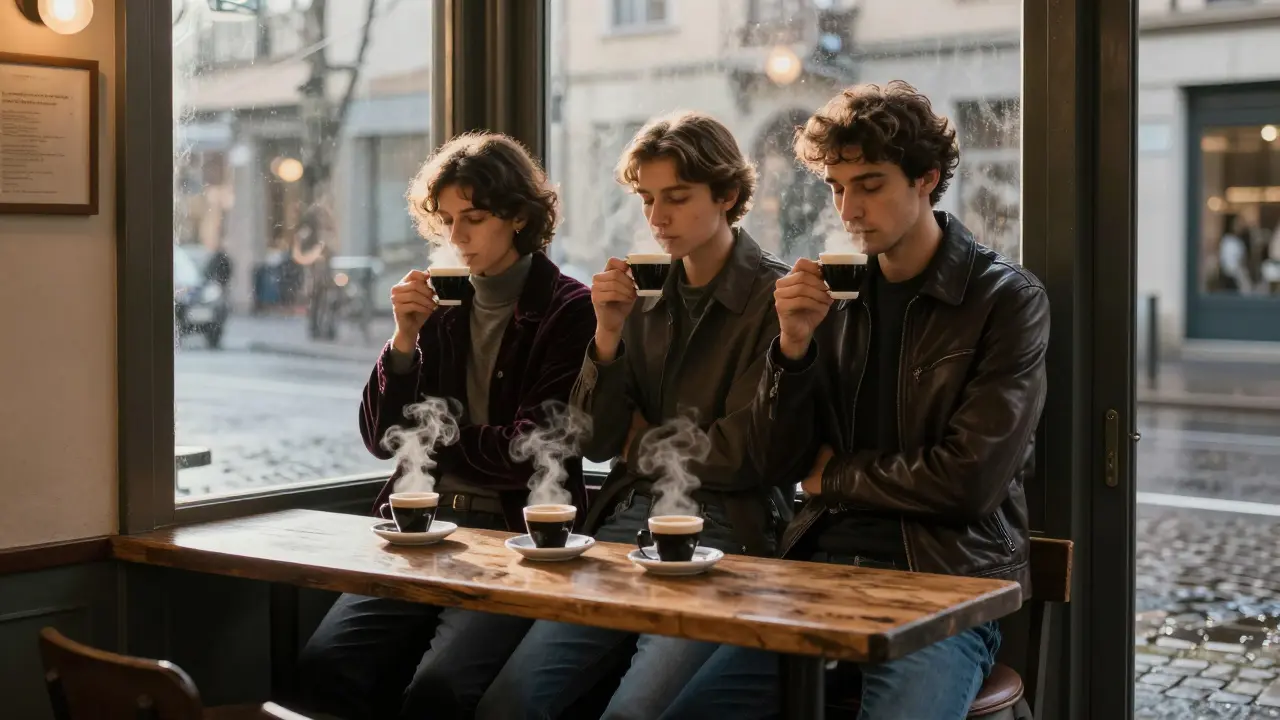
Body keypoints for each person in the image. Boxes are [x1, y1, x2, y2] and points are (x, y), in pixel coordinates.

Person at [659, 81, 1050, 720]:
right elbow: (777, 461)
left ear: (926, 179)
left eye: (869, 185)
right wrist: (791, 349)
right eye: (837, 188)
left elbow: (970, 482)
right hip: (818, 570)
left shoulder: (1004, 299)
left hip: (944, 583)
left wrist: (835, 476)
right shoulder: (833, 297)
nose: (849, 208)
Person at [475, 112, 791, 720]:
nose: (657, 217)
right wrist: (607, 336)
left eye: (677, 197)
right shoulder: (643, 294)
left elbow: (747, 455)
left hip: (727, 533)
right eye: (647, 199)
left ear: (727, 195)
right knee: (507, 703)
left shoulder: (774, 299)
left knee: (633, 714)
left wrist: (640, 442)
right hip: (625, 523)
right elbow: (595, 442)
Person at [295, 132, 597, 720]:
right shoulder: (439, 303)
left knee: (442, 690)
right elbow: (381, 439)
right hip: (419, 529)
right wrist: (403, 340)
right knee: (324, 665)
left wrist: (434, 440)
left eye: (474, 219)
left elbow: (529, 450)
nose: (457, 237)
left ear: (518, 216)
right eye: (448, 220)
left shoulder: (568, 309)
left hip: (518, 538)